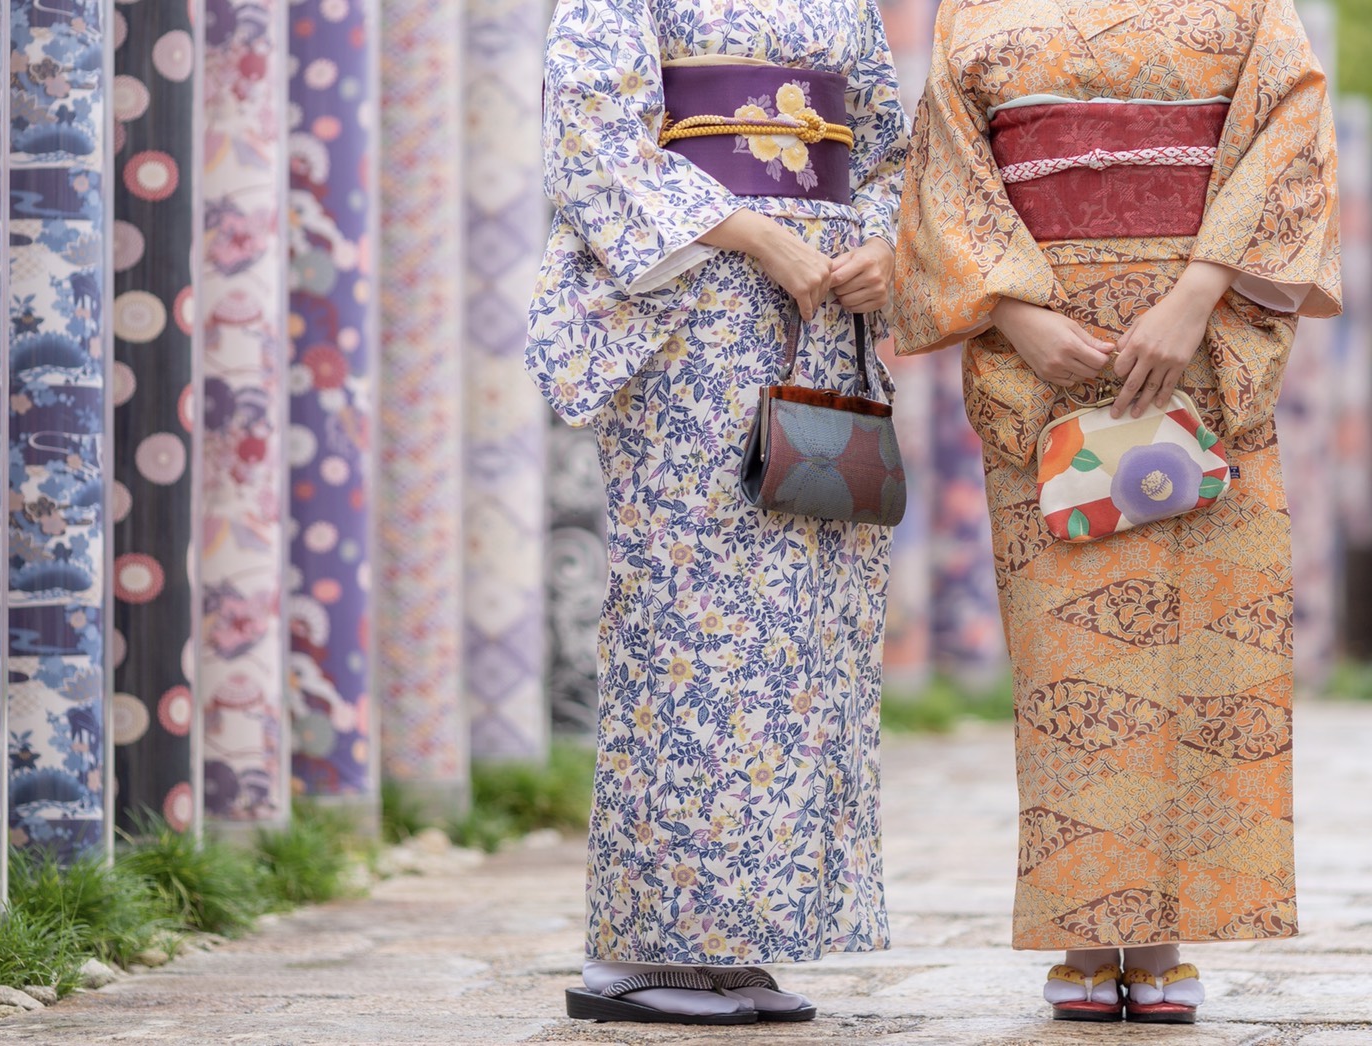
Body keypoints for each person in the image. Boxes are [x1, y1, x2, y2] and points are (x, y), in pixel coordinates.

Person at [892, 0, 1340, 1025]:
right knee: (1070, 660)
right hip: (1046, 356)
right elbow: (946, 176)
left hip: (1204, 349)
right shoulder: (972, 12)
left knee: (1198, 650)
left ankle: (1167, 936)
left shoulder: (1249, 8)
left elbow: (1289, 136)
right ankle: (1087, 932)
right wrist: (1013, 315)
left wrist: (1192, 296)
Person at [526, 0, 910, 1026]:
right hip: (693, 317)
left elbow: (884, 149)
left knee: (802, 635)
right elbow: (591, 133)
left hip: (820, 320)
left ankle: (732, 938)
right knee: (686, 625)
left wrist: (878, 245)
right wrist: (750, 232)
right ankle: (642, 944)